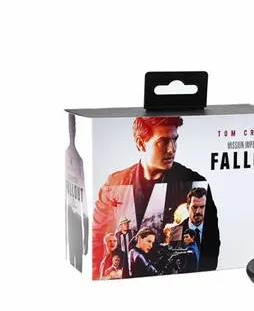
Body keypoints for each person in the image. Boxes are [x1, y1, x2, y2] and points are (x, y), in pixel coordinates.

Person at [92, 116, 220, 274]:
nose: (172, 149)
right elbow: (96, 240)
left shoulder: (194, 184)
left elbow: (210, 245)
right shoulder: (114, 185)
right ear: (140, 143)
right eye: (163, 141)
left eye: (174, 140)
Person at [65, 113, 89, 271]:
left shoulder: (79, 160)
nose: (72, 130)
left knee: (78, 267)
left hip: (78, 222)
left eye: (73, 127)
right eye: (70, 126)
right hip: (71, 221)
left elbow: (84, 202)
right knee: (72, 265)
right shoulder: (68, 155)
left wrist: (86, 238)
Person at [180, 187, 219, 271]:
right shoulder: (177, 231)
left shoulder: (213, 231)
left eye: (202, 207)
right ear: (187, 207)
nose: (198, 211)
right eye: (194, 207)